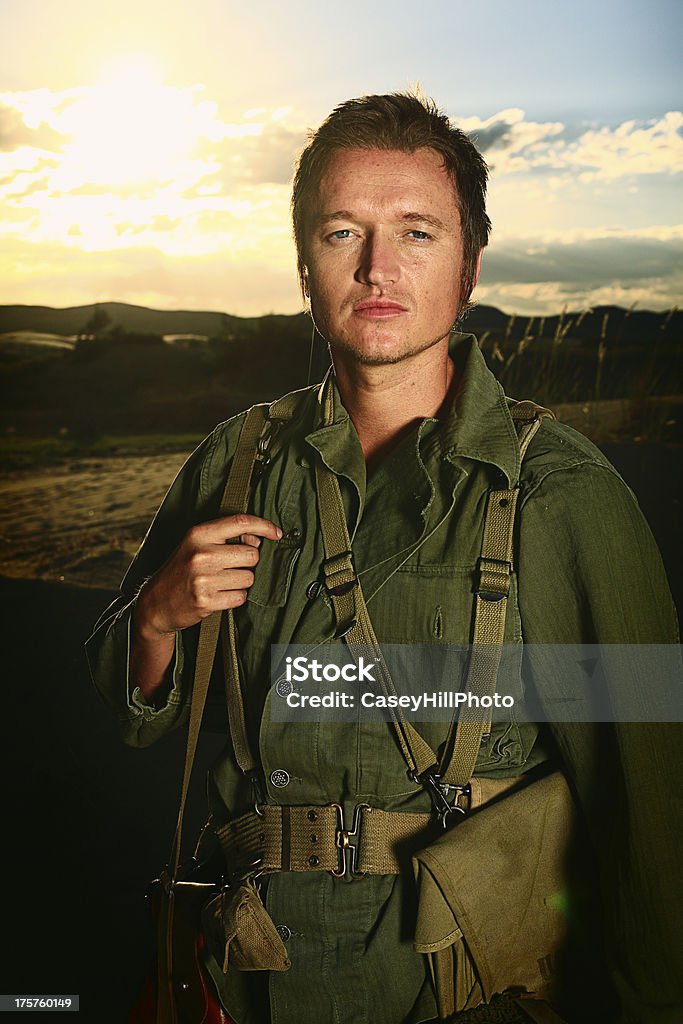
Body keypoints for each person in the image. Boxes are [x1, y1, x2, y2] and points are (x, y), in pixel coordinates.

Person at [86, 93, 682, 1024]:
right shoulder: (240, 458)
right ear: (302, 264)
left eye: (416, 231)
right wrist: (157, 618)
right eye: (340, 232)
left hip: (452, 990)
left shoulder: (561, 492)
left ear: (470, 265)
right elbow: (128, 706)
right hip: (250, 977)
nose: (376, 267)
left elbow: (652, 806)